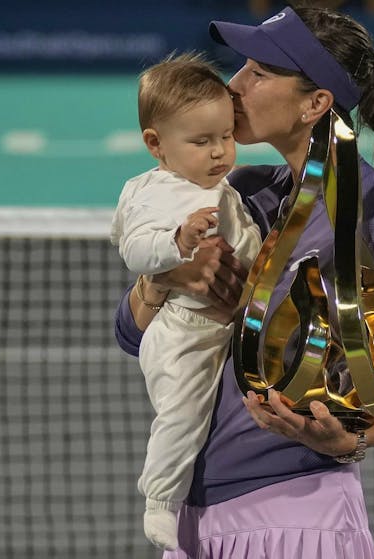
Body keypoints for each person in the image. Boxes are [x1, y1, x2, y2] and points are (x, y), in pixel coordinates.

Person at [114, 7, 374, 557]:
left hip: (298, 513)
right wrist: (161, 284)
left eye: (258, 72)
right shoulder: (241, 194)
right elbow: (132, 335)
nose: (232, 85)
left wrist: (352, 436)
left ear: (315, 103)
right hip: (191, 522)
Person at [109, 52, 262, 550]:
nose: (220, 152)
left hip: (226, 330)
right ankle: (160, 499)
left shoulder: (217, 185)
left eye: (225, 136)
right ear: (156, 144)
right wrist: (177, 246)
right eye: (202, 142)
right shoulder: (161, 194)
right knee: (182, 413)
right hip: (183, 332)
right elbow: (134, 249)